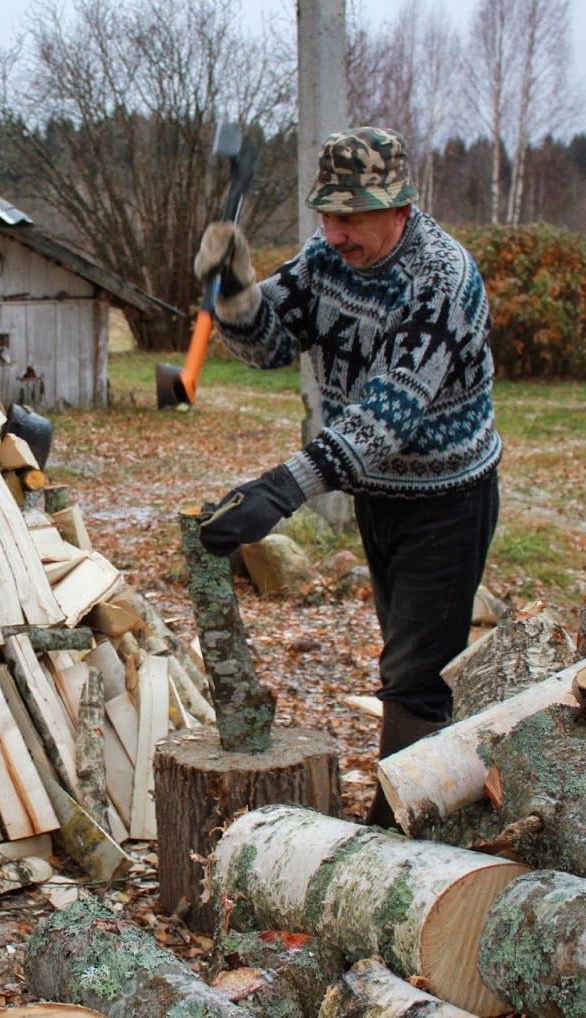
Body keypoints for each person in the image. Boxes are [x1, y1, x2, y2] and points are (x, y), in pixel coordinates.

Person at [194, 126, 501, 827]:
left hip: (449, 495)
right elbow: (269, 342)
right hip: (380, 497)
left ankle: (402, 831)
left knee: (418, 674)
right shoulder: (324, 260)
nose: (332, 233)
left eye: (349, 217)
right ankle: (437, 796)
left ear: (398, 209)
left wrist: (280, 490)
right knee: (407, 651)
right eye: (325, 215)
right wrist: (235, 292)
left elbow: (387, 414)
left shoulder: (442, 279)